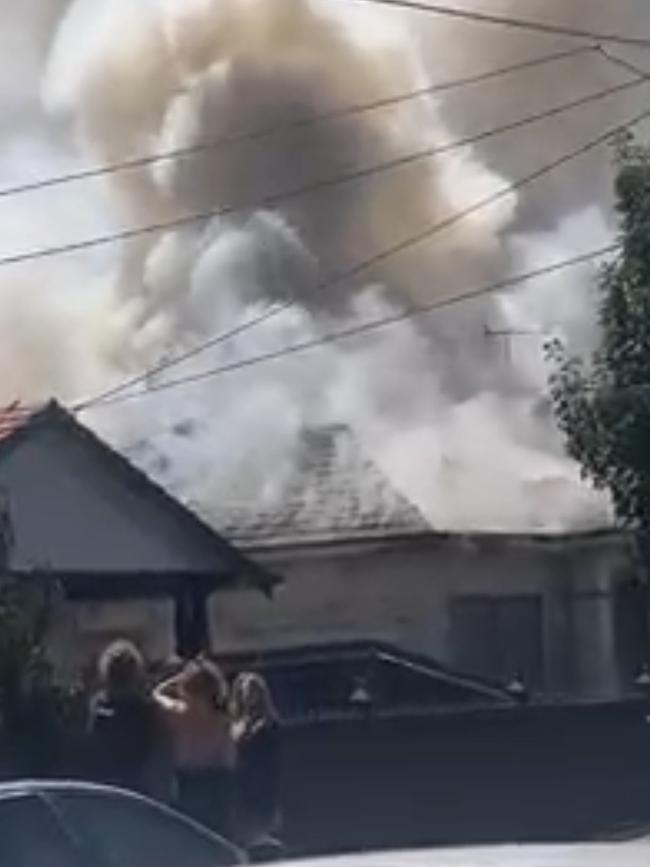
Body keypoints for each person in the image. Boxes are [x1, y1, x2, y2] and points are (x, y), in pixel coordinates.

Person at [154, 658, 236, 837]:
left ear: (185, 686)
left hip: (183, 782)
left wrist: (177, 678)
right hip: (212, 783)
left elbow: (156, 694)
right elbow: (228, 760)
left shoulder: (175, 713)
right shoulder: (221, 721)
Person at [87, 640, 173, 800]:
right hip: (139, 790)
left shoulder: (98, 708)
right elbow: (159, 755)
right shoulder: (147, 710)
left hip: (103, 789)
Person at [231, 672, 282, 849]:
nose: (248, 696)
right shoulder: (238, 722)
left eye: (253, 691)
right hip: (241, 780)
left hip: (261, 779)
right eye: (245, 691)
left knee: (260, 821)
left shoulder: (267, 724)